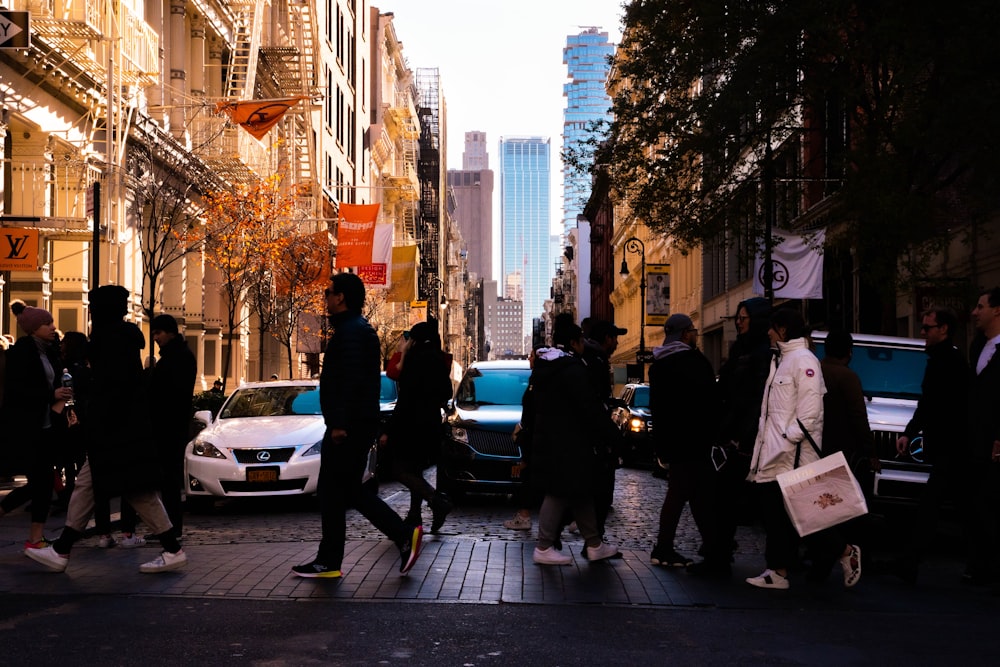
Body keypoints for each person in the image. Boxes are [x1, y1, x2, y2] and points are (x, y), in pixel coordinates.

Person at [26, 285, 188, 574]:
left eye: (93, 306)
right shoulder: (124, 339)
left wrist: (94, 423)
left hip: (113, 431)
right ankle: (63, 549)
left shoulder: (105, 340)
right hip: (125, 429)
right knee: (102, 487)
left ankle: (170, 549)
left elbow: (109, 391)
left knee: (124, 490)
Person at [292, 272, 424, 578]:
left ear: (341, 297)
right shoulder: (354, 329)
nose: (324, 297)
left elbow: (349, 383)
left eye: (328, 292)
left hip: (347, 428)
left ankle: (399, 536)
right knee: (344, 491)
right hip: (354, 424)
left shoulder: (352, 332)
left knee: (336, 490)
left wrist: (338, 424)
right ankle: (331, 560)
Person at [745, 307, 859, 590]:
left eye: (773, 327)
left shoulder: (803, 360)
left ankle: (842, 552)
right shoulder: (782, 360)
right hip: (777, 452)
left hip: (790, 454)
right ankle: (779, 571)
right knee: (785, 516)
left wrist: (787, 438)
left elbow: (810, 411)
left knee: (804, 516)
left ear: (783, 330)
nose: (769, 332)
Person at [529, 318, 619, 565]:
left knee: (579, 492)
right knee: (560, 492)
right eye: (581, 342)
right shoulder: (572, 369)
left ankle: (594, 544)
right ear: (573, 343)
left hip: (556, 437)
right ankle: (544, 546)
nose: (584, 346)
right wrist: (611, 432)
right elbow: (588, 406)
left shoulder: (547, 366)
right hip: (569, 440)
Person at [891, 308, 971, 583]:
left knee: (934, 507)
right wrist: (910, 431)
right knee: (960, 508)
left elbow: (942, 406)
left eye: (927, 328)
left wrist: (915, 431)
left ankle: (909, 563)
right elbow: (928, 403)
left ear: (944, 329)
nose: (922, 332)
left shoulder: (950, 361)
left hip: (953, 449)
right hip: (950, 449)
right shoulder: (940, 359)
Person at [648, 313, 719, 569]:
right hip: (695, 439)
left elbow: (657, 408)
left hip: (673, 441)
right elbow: (710, 400)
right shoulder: (694, 361)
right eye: (693, 330)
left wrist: (661, 446)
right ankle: (665, 547)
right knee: (685, 494)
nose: (696, 334)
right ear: (685, 334)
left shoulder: (658, 365)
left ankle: (711, 546)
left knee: (691, 493)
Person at [708, 297, 772, 575]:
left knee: (752, 503)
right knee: (723, 500)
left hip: (748, 441)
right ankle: (719, 555)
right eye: (738, 317)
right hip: (733, 436)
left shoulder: (763, 354)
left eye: (743, 318)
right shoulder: (740, 350)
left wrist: (742, 438)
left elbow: (756, 399)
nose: (738, 322)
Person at [0, 301, 70, 550]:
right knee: (40, 483)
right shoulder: (21, 353)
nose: (53, 327)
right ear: (33, 328)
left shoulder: (49, 351)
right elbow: (18, 392)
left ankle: (36, 538)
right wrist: (52, 395)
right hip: (26, 428)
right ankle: (34, 538)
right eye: (46, 323)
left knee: (41, 483)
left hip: (46, 427)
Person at [382, 318, 454, 533]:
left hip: (410, 424)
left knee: (398, 469)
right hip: (430, 424)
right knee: (415, 469)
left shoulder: (414, 360)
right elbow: (446, 393)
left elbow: (405, 400)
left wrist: (388, 430)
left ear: (414, 340)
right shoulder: (438, 360)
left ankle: (437, 501)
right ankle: (415, 516)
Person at [146, 314, 197, 539]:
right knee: (167, 481)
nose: (156, 338)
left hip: (169, 428)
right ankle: (168, 527)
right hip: (170, 426)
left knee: (168, 481)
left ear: (170, 332)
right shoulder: (176, 355)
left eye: (158, 333)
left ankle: (170, 528)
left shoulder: (177, 358)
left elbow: (170, 394)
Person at [967, 287, 1000, 588]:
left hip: (995, 443)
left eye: (981, 307)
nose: (975, 312)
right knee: (979, 503)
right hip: (977, 441)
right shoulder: (978, 345)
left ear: (997, 310)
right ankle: (982, 567)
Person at [581, 319, 627, 536]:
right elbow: (595, 404)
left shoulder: (592, 359)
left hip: (591, 436)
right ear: (607, 339)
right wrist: (612, 437)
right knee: (598, 490)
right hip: (593, 439)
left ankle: (593, 540)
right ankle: (592, 539)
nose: (617, 343)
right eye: (614, 338)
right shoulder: (596, 362)